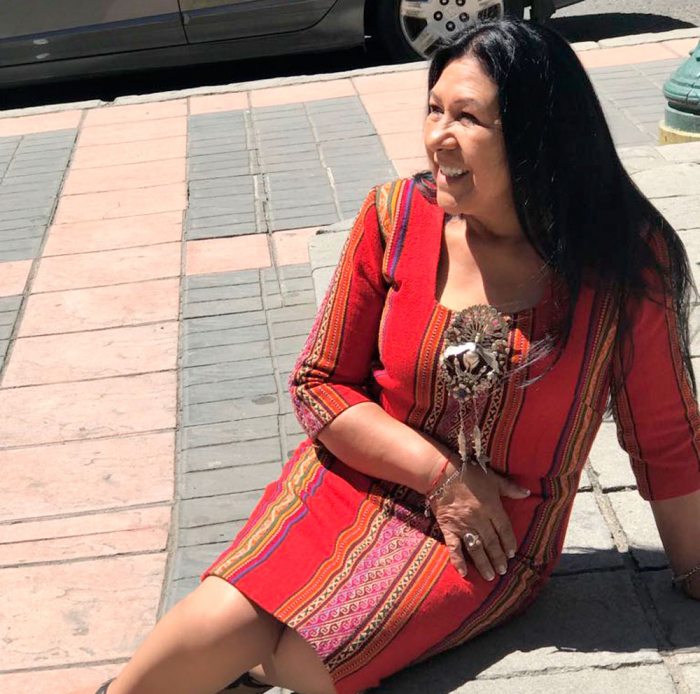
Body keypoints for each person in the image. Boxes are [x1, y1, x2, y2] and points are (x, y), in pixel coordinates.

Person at [91, 17, 700, 694]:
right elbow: (320, 383)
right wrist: (441, 477)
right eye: (434, 109)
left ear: (537, 136)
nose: (438, 136)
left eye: (467, 117)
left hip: (491, 536)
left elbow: (663, 433)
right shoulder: (395, 218)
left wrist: (693, 566)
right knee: (213, 625)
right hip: (356, 475)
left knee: (304, 659)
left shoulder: (621, 261)